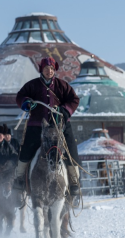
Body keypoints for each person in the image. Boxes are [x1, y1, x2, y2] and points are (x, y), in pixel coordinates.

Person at [13, 57, 82, 196]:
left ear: (54, 69)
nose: (49, 71)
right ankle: (19, 178)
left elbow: (74, 100)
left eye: (51, 68)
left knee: (71, 152)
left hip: (60, 127)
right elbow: (20, 96)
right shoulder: (32, 85)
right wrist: (26, 102)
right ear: (41, 69)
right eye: (46, 68)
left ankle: (74, 182)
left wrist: (63, 110)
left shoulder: (63, 85)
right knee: (26, 151)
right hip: (36, 125)